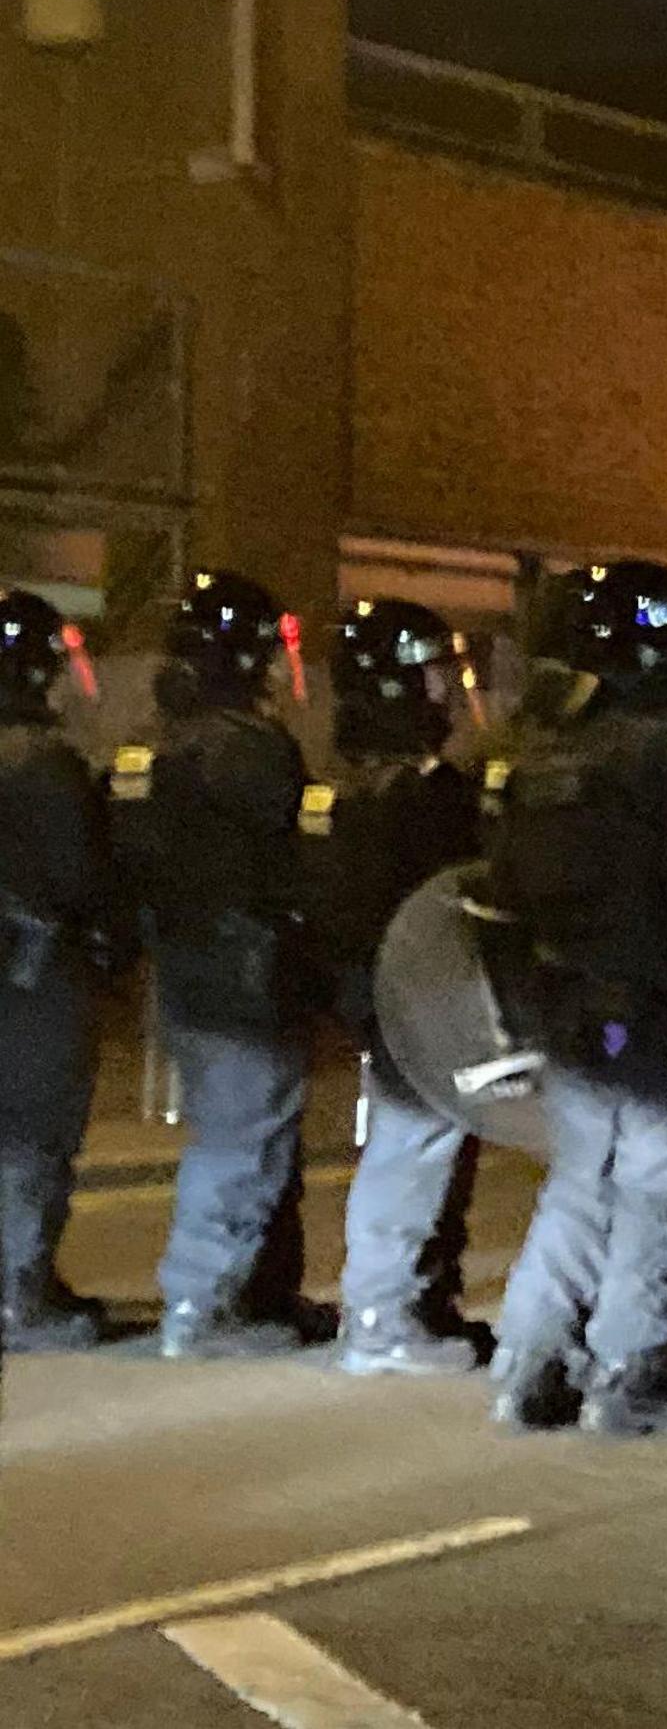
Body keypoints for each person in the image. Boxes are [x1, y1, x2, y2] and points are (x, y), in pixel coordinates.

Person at [483, 561, 667, 1435]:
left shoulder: (539, 757)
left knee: (581, 1183)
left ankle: (530, 1362)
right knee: (665, 1184)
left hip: (567, 1004)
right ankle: (631, 1371)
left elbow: (500, 893)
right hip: (661, 1008)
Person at [117, 569, 319, 1359]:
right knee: (241, 1143)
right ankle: (202, 1308)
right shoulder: (247, 748)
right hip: (246, 969)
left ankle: (231, 1294)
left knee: (234, 1134)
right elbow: (292, 859)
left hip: (187, 966)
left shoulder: (156, 744)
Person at [310, 599, 490, 1375]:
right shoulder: (417, 791)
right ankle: (384, 1315)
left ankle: (418, 1299)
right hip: (420, 995)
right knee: (413, 1146)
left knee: (420, 1144)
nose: (445, 692)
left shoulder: (338, 781)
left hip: (375, 990)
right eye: (430, 676)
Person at [0, 592, 107, 1351]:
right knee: (34, 1134)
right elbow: (81, 874)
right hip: (35, 972)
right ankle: (20, 1291)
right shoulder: (44, 760)